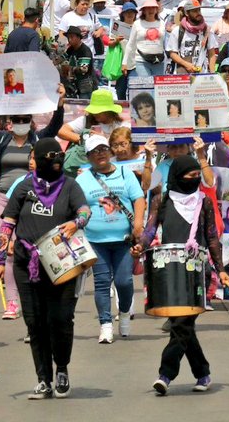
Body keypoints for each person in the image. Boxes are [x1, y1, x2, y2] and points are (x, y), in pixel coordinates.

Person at [0, 138, 91, 400]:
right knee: (35, 323)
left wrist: (77, 223)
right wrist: (0, 261)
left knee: (60, 319)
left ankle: (62, 369)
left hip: (61, 264)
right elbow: (7, 225)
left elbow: (84, 210)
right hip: (27, 264)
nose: (56, 162)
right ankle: (43, 379)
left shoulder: (70, 186)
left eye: (59, 157)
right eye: (49, 158)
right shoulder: (24, 187)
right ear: (36, 160)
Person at [134, 155, 229, 395]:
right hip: (169, 271)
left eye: (198, 176)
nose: (195, 180)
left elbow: (212, 238)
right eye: (190, 176)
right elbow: (150, 230)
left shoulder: (204, 202)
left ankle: (165, 375)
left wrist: (221, 269)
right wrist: (140, 246)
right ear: (177, 177)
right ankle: (203, 372)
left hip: (197, 271)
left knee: (181, 324)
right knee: (183, 325)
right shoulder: (162, 200)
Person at [0, 80, 65, 320]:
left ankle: (35, 299)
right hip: (4, 200)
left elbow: (55, 126)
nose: (21, 122)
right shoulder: (2, 140)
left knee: (33, 249)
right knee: (10, 249)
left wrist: (60, 103)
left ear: (30, 121)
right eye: (17, 119)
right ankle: (12, 303)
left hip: (31, 202)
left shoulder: (38, 140)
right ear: (10, 121)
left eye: (25, 119)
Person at [76, 135, 145, 343]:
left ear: (110, 151)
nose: (100, 154)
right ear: (88, 156)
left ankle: (124, 313)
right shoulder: (82, 179)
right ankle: (105, 324)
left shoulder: (125, 173)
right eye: (95, 151)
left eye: (103, 149)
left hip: (123, 239)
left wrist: (138, 223)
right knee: (102, 282)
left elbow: (138, 199)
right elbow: (76, 206)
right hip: (96, 240)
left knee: (124, 281)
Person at [166, 0, 218, 75]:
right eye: (195, 11)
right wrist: (186, 65)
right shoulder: (177, 31)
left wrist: (212, 73)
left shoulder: (207, 30)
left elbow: (211, 53)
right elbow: (172, 53)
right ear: (187, 13)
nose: (198, 13)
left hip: (202, 74)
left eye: (199, 10)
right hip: (182, 74)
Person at [121, 0, 167, 84]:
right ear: (144, 10)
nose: (151, 10)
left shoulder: (162, 23)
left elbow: (165, 43)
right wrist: (124, 63)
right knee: (146, 86)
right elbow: (130, 44)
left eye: (153, 8)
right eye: (148, 8)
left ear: (156, 10)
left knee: (158, 87)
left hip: (159, 61)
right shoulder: (137, 24)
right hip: (141, 60)